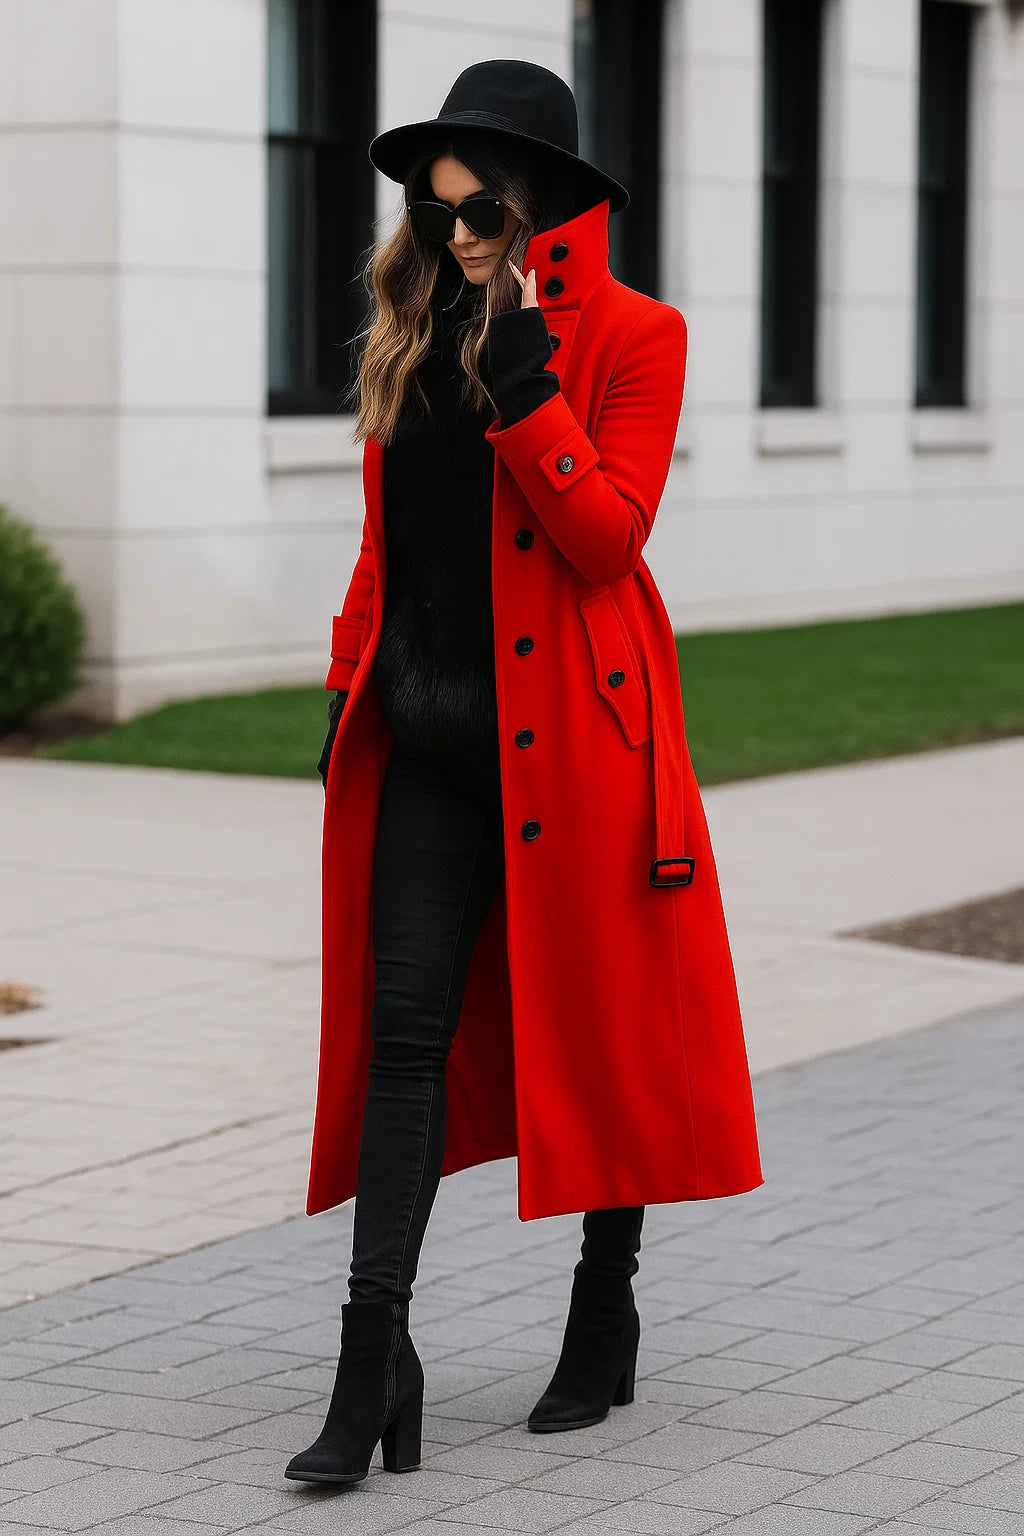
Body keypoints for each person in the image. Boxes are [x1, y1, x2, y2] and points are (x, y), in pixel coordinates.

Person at [286, 59, 763, 1488]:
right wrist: (346, 683)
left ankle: (604, 1308)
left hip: (583, 738)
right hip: (432, 740)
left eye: (480, 209)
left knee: (602, 1025)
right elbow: (386, 543)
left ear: (542, 201)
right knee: (405, 1034)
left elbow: (610, 538)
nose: (457, 236)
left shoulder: (638, 335)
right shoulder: (412, 331)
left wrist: (526, 387)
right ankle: (371, 1358)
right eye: (435, 213)